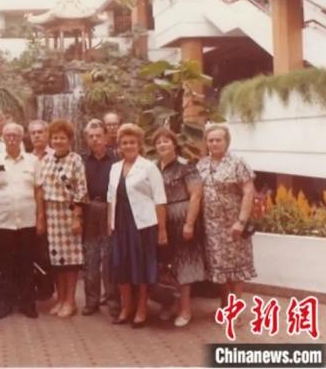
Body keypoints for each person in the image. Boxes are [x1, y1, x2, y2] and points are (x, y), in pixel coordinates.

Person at [107, 124, 167, 328]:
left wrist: (162, 230)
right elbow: (110, 199)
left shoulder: (149, 167)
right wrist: (109, 225)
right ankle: (127, 307)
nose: (128, 146)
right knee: (121, 266)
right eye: (124, 142)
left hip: (143, 225)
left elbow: (160, 199)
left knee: (142, 267)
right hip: (120, 224)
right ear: (119, 146)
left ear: (139, 144)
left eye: (132, 142)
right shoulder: (115, 168)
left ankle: (142, 309)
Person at [0, 123, 44, 319]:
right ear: (3, 138)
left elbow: (38, 191)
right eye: (8, 136)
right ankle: (5, 304)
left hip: (27, 222)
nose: (11, 139)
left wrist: (40, 219)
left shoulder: (33, 161)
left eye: (15, 136)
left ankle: (28, 304)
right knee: (4, 266)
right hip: (3, 222)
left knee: (26, 264)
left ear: (21, 138)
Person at [197, 124, 256, 309]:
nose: (214, 143)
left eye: (218, 140)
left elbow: (249, 191)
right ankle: (225, 304)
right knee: (219, 267)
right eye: (210, 140)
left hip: (233, 224)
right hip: (211, 226)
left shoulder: (237, 163)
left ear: (226, 142)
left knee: (236, 268)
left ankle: (235, 308)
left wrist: (241, 221)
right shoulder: (201, 164)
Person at [153, 128, 205, 327]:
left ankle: (185, 309)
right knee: (164, 264)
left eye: (166, 141)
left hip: (181, 218)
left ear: (174, 144)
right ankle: (167, 304)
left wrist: (189, 224)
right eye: (159, 142)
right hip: (160, 220)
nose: (162, 145)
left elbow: (196, 195)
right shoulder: (152, 167)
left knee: (183, 264)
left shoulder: (186, 166)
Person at [40, 119, 87, 318]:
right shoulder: (46, 160)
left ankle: (70, 301)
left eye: (62, 138)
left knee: (71, 260)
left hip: (69, 212)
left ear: (69, 140)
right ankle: (60, 299)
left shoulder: (76, 160)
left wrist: (77, 217)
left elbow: (81, 189)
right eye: (55, 138)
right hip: (52, 214)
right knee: (56, 260)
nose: (58, 141)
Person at [81, 119, 117, 316]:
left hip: (109, 209)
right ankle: (91, 301)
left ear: (106, 138)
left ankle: (112, 300)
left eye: (98, 136)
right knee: (91, 256)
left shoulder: (116, 160)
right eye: (91, 136)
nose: (95, 139)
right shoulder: (82, 161)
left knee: (109, 257)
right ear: (86, 139)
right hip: (88, 210)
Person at [27, 119, 55, 301]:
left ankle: (51, 289)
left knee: (51, 252)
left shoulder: (56, 155)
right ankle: (39, 288)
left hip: (53, 211)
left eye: (40, 132)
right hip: (31, 210)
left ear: (47, 134)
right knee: (35, 251)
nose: (37, 136)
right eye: (33, 133)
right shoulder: (26, 158)